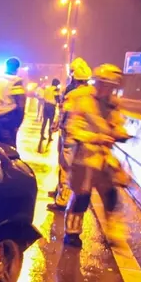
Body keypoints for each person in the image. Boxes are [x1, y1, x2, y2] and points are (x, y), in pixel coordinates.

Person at [63, 64, 131, 248]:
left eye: (110, 86)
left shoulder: (113, 103)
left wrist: (120, 133)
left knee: (111, 195)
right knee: (81, 196)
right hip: (84, 158)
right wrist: (96, 137)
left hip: (103, 159)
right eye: (103, 84)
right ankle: (72, 232)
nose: (106, 89)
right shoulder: (82, 99)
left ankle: (114, 233)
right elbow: (73, 127)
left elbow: (117, 122)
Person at [47, 58, 92, 211]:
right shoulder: (93, 93)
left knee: (65, 167)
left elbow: (63, 113)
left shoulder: (72, 94)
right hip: (85, 137)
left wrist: (55, 125)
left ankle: (62, 200)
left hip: (70, 135)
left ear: (74, 76)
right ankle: (64, 192)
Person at [0, 57, 26, 148]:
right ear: (17, 69)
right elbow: (21, 105)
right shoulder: (15, 81)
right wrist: (17, 124)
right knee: (9, 151)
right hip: (6, 120)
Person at [38, 78, 62, 150]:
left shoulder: (47, 89)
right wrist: (59, 102)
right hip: (51, 107)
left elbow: (43, 96)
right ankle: (50, 136)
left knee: (44, 121)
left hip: (46, 105)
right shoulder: (55, 90)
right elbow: (57, 98)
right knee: (51, 122)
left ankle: (42, 134)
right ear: (56, 84)